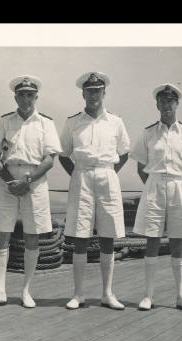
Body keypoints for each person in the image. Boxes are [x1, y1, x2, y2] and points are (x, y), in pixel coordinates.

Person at [0, 75, 62, 309]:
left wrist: (27, 181)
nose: (26, 99)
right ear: (15, 97)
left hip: (34, 182)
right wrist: (10, 182)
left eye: (30, 95)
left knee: (32, 235)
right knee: (1, 233)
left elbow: (49, 160)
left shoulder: (46, 123)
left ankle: (26, 290)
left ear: (36, 97)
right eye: (21, 94)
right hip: (8, 180)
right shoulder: (5, 122)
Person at [130, 83, 182, 312]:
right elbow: (140, 166)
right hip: (154, 185)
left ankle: (181, 296)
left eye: (170, 101)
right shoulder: (149, 132)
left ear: (177, 104)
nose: (166, 105)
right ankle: (148, 296)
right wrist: (154, 185)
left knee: (177, 240)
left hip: (178, 185)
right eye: (162, 101)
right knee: (152, 239)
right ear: (157, 104)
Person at [58, 72, 130, 310]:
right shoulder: (72, 122)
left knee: (108, 235)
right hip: (81, 176)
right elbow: (63, 154)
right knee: (80, 235)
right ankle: (78, 294)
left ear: (104, 93)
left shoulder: (116, 122)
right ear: (83, 94)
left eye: (98, 90)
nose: (94, 95)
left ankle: (107, 294)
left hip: (107, 175)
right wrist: (78, 174)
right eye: (90, 91)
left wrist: (108, 172)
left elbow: (124, 152)